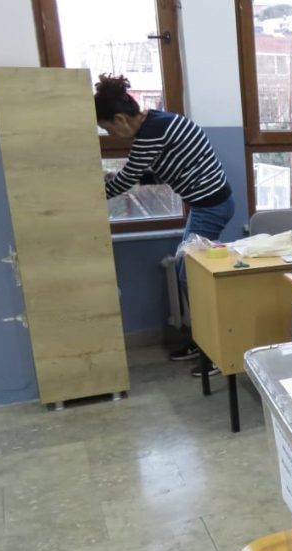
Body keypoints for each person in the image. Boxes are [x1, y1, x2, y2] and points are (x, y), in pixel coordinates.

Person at [94, 74, 234, 377]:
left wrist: (92, 192)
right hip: (206, 205)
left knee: (192, 278)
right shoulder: (156, 125)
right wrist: (113, 182)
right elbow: (159, 173)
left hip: (210, 206)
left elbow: (129, 176)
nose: (111, 135)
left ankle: (214, 352)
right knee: (190, 275)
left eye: (108, 128)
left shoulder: (151, 132)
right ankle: (204, 343)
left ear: (120, 118)